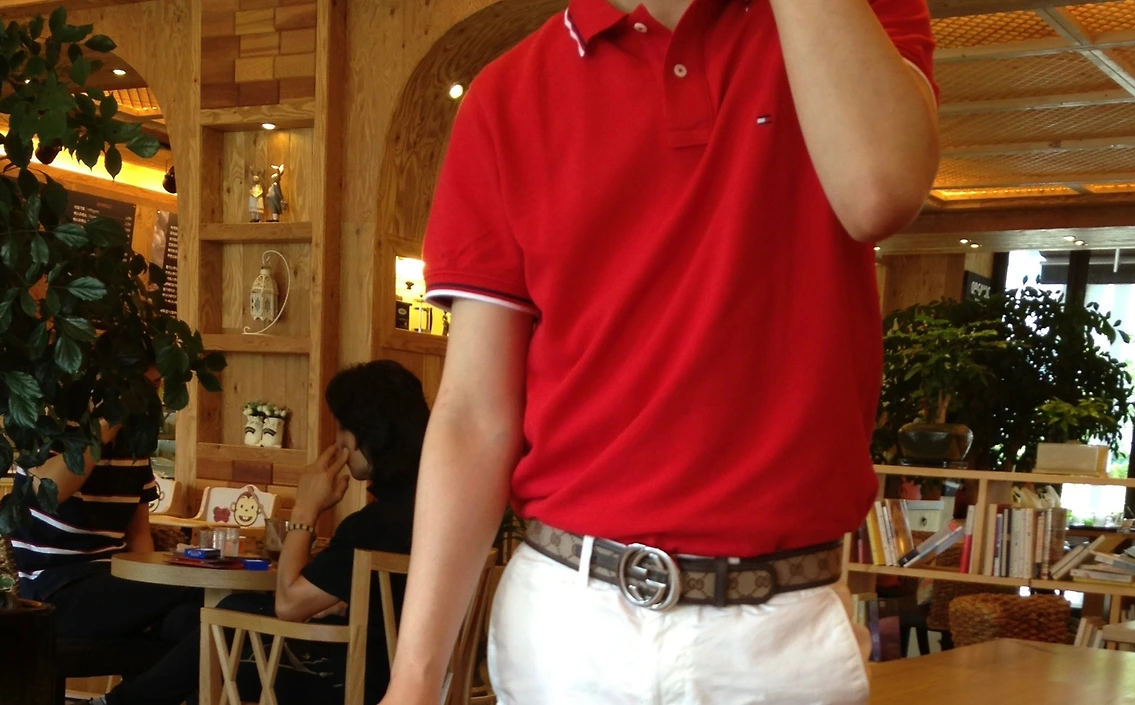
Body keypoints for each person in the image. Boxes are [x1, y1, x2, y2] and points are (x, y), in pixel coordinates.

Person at [383, 1, 939, 703]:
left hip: (779, 628)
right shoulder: (506, 95)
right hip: (567, 617)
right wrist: (414, 678)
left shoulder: (852, 13)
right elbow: (473, 413)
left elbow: (881, 191)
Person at [93, 359, 430, 705]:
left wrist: (305, 509)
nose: (339, 443)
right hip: (415, 681)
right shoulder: (426, 511)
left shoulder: (374, 525)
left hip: (348, 684)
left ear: (366, 436)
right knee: (193, 623)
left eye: (342, 428)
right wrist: (345, 603)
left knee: (228, 628)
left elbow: (288, 604)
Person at [11, 371, 204, 705]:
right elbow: (49, 491)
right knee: (201, 589)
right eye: (143, 382)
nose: (150, 393)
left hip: (116, 585)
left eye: (156, 384)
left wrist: (153, 579)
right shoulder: (54, 430)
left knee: (207, 619)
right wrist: (107, 424)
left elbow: (139, 536)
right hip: (53, 593)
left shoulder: (135, 447)